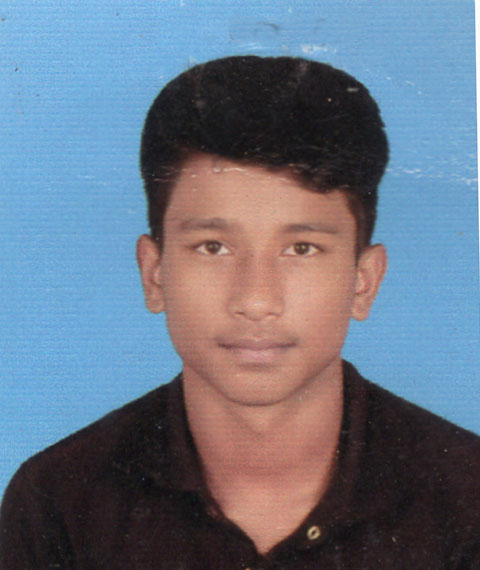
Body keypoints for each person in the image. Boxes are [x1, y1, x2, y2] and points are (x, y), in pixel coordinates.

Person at [1, 55, 479, 569]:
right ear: (154, 273)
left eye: (301, 249)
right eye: (213, 247)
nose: (255, 300)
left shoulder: (467, 499)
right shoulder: (57, 502)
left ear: (364, 281)